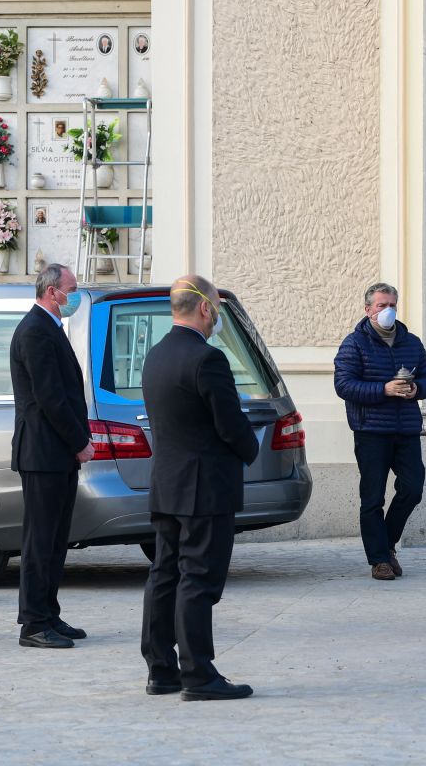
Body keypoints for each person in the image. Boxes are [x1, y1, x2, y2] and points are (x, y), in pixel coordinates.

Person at [139, 275, 259, 700]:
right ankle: (198, 674)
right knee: (198, 579)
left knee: (165, 574)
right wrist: (251, 449)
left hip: (168, 484)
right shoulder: (207, 359)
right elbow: (230, 424)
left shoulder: (154, 355)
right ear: (205, 308)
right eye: (217, 311)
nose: (217, 319)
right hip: (204, 486)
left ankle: (161, 669)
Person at [9, 264, 92, 649]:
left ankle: (49, 614)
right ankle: (33, 623)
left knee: (57, 540)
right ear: (51, 291)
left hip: (57, 455)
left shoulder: (50, 328)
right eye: (71, 289)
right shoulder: (34, 331)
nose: (75, 296)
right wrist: (80, 441)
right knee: (40, 540)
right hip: (43, 453)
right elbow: (51, 399)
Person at [333, 282, 426, 581]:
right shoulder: (354, 343)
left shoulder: (412, 342)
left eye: (392, 304)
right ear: (368, 310)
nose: (388, 310)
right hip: (371, 431)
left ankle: (386, 543)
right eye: (381, 305)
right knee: (373, 497)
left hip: (405, 429)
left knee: (413, 489)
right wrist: (384, 389)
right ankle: (379, 560)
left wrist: (415, 388)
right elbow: (344, 385)